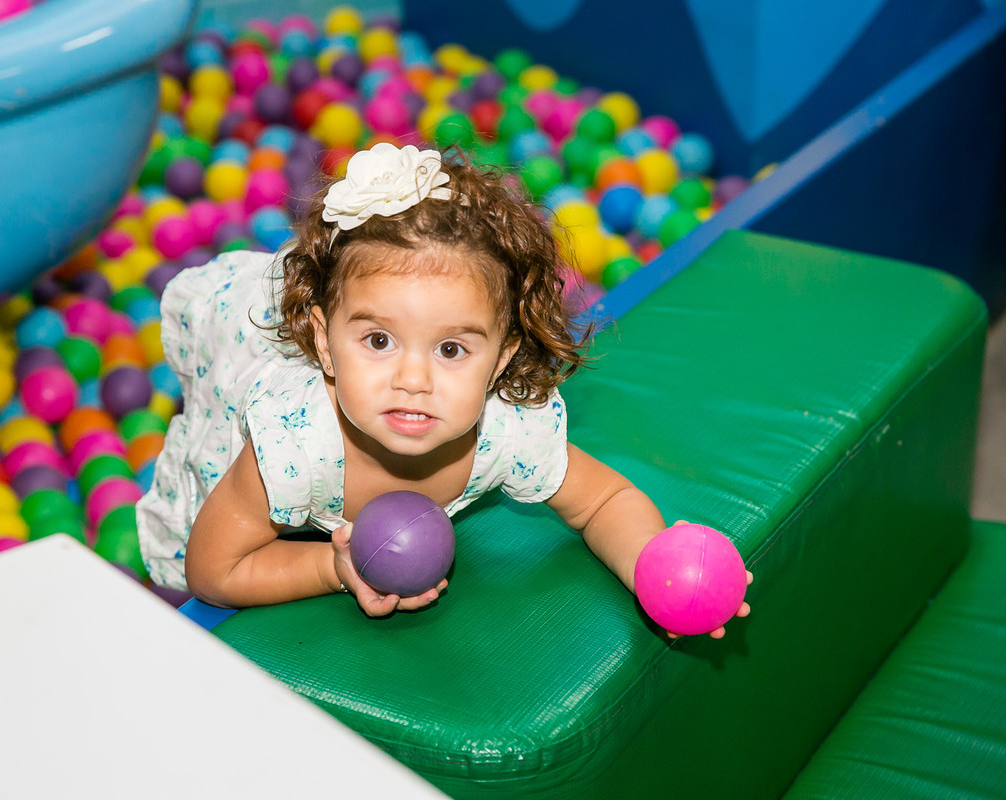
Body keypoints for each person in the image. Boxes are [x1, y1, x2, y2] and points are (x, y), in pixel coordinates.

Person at [137, 142, 751, 636]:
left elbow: (603, 501)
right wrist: (331, 565)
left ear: (500, 359)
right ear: (325, 345)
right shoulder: (291, 446)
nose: (413, 379)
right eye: (379, 341)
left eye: (452, 349)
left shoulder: (507, 427)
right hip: (247, 343)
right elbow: (213, 569)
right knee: (218, 426)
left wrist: (652, 570)